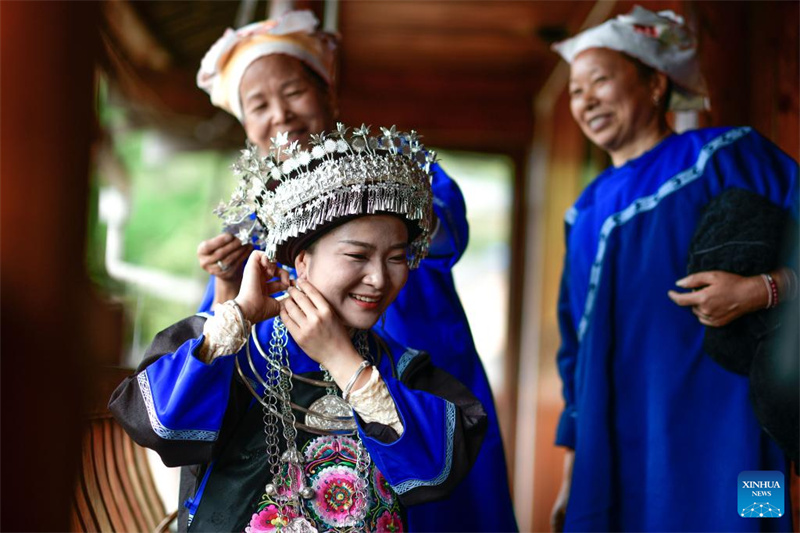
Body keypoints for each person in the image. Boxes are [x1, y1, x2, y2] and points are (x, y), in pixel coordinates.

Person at [193, 11, 517, 532]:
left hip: (417, 377)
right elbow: (217, 352)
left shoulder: (399, 168)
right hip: (302, 406)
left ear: (328, 94)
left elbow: (445, 230)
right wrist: (226, 285)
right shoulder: (250, 221)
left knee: (436, 502)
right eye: (259, 105)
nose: (281, 115)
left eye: (294, 92)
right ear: (246, 126)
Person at [110, 126, 490, 532]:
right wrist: (240, 313)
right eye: (357, 255)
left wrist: (341, 359)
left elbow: (437, 465)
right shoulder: (237, 348)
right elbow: (159, 421)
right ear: (302, 261)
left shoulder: (405, 370)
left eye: (396, 258)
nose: (379, 278)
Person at [548, 6, 798, 532]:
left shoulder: (725, 155)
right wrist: (572, 470)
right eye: (575, 90)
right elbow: (575, 349)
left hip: (736, 435)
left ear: (656, 84)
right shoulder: (583, 213)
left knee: (757, 519)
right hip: (614, 450)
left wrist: (762, 290)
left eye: (601, 81)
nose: (586, 100)